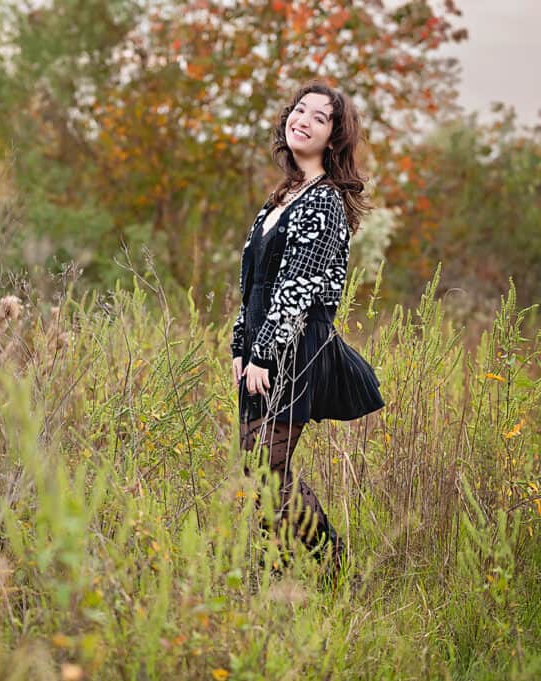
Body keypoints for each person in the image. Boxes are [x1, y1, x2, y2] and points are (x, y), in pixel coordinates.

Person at [230, 81, 385, 579]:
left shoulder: (323, 201)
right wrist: (240, 346)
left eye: (321, 118)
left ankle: (332, 565)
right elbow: (253, 284)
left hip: (294, 347)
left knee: (266, 467)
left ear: (334, 138)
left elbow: (298, 289)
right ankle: (271, 574)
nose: (305, 120)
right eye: (301, 110)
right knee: (258, 470)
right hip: (262, 345)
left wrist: (264, 353)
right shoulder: (278, 199)